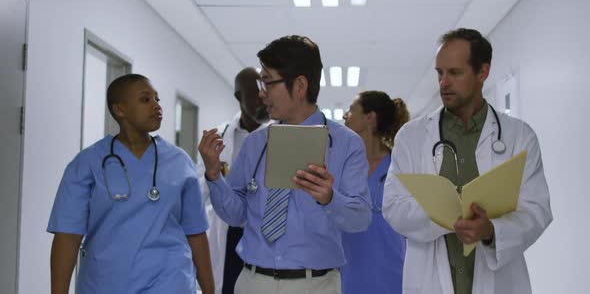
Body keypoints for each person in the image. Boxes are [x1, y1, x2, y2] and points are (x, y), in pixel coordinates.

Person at [382, 28, 552, 294]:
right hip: (429, 281)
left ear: (482, 73)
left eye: (455, 73)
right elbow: (392, 207)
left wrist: (491, 231)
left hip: (499, 282)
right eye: (440, 73)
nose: (443, 82)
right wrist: (446, 216)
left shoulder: (519, 136)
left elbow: (537, 210)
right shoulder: (412, 137)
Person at [198, 35, 371, 294]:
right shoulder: (256, 143)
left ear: (299, 85)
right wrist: (214, 175)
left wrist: (329, 198)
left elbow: (360, 219)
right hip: (253, 281)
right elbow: (236, 214)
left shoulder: (347, 145)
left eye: (268, 82)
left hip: (316, 285)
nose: (261, 93)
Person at [47, 74, 214, 294]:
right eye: (146, 100)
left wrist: (210, 291)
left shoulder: (180, 162)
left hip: (170, 282)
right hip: (106, 282)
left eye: (157, 99)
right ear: (119, 110)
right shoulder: (87, 163)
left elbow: (196, 233)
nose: (156, 105)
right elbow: (67, 236)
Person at [197, 67, 270, 294]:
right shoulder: (217, 136)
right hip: (229, 233)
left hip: (264, 231)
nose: (263, 99)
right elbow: (200, 190)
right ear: (239, 97)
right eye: (255, 95)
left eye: (265, 92)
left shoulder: (281, 134)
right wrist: (213, 175)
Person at [340, 91, 409, 294]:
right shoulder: (343, 166)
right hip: (349, 277)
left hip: (393, 276)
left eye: (351, 110)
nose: (345, 115)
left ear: (369, 118)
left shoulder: (400, 165)